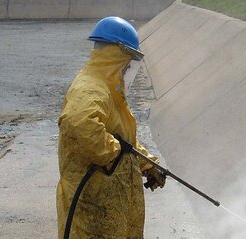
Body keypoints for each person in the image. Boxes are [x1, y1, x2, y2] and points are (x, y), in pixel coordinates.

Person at [56, 16, 167, 239]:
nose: (128, 67)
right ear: (114, 55)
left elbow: (124, 139)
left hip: (109, 201)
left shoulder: (108, 90)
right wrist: (113, 151)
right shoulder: (90, 89)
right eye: (128, 59)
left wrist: (148, 164)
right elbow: (81, 125)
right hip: (93, 204)